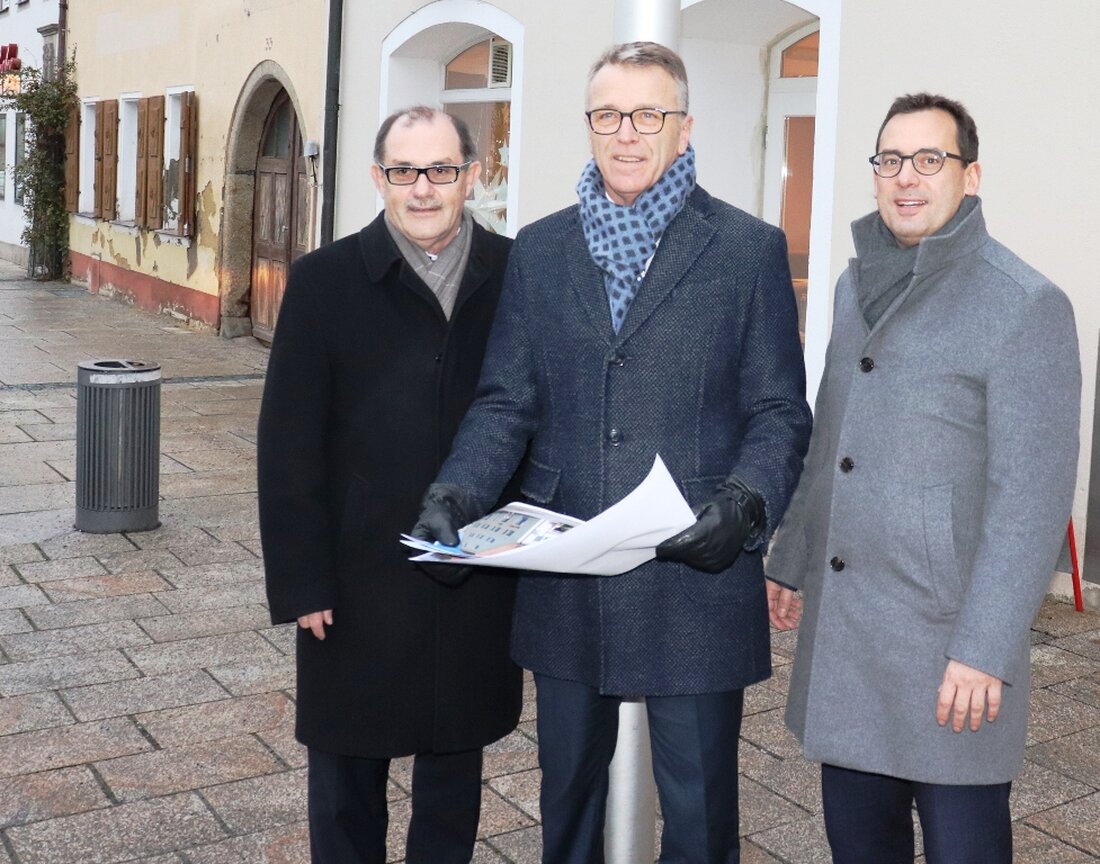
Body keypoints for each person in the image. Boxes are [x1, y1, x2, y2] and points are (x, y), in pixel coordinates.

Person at [413, 42, 811, 864]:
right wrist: (456, 492)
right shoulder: (542, 247)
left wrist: (744, 503)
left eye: (648, 115)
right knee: (568, 810)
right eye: (607, 115)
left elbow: (779, 411)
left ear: (684, 127)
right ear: (588, 126)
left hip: (694, 574)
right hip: (567, 573)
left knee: (700, 823)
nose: (627, 134)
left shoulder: (747, 249)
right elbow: (506, 401)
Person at [766, 93, 1081, 863]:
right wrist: (792, 555)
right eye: (890, 160)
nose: (907, 178)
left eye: (930, 160)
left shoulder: (1025, 304)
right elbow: (830, 434)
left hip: (950, 650)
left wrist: (984, 647)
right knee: (859, 846)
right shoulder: (851, 287)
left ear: (970, 177)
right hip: (853, 635)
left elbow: (1032, 498)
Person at [257, 106, 522, 864]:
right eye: (404, 171)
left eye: (441, 169)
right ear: (378, 177)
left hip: (472, 576)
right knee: (346, 784)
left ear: (473, 175)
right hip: (354, 579)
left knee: (452, 775)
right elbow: (287, 447)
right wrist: (303, 581)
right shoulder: (322, 282)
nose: (423, 189)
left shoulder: (513, 275)